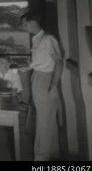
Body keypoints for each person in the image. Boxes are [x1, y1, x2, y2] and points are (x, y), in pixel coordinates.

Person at [18, 11, 62, 161]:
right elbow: (40, 61)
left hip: (45, 80)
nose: (23, 26)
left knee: (43, 120)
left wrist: (54, 85)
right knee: (47, 118)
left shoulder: (48, 39)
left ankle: (41, 158)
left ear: (32, 23)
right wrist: (28, 68)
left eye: (24, 23)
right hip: (38, 77)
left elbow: (59, 62)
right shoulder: (37, 39)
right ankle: (52, 154)